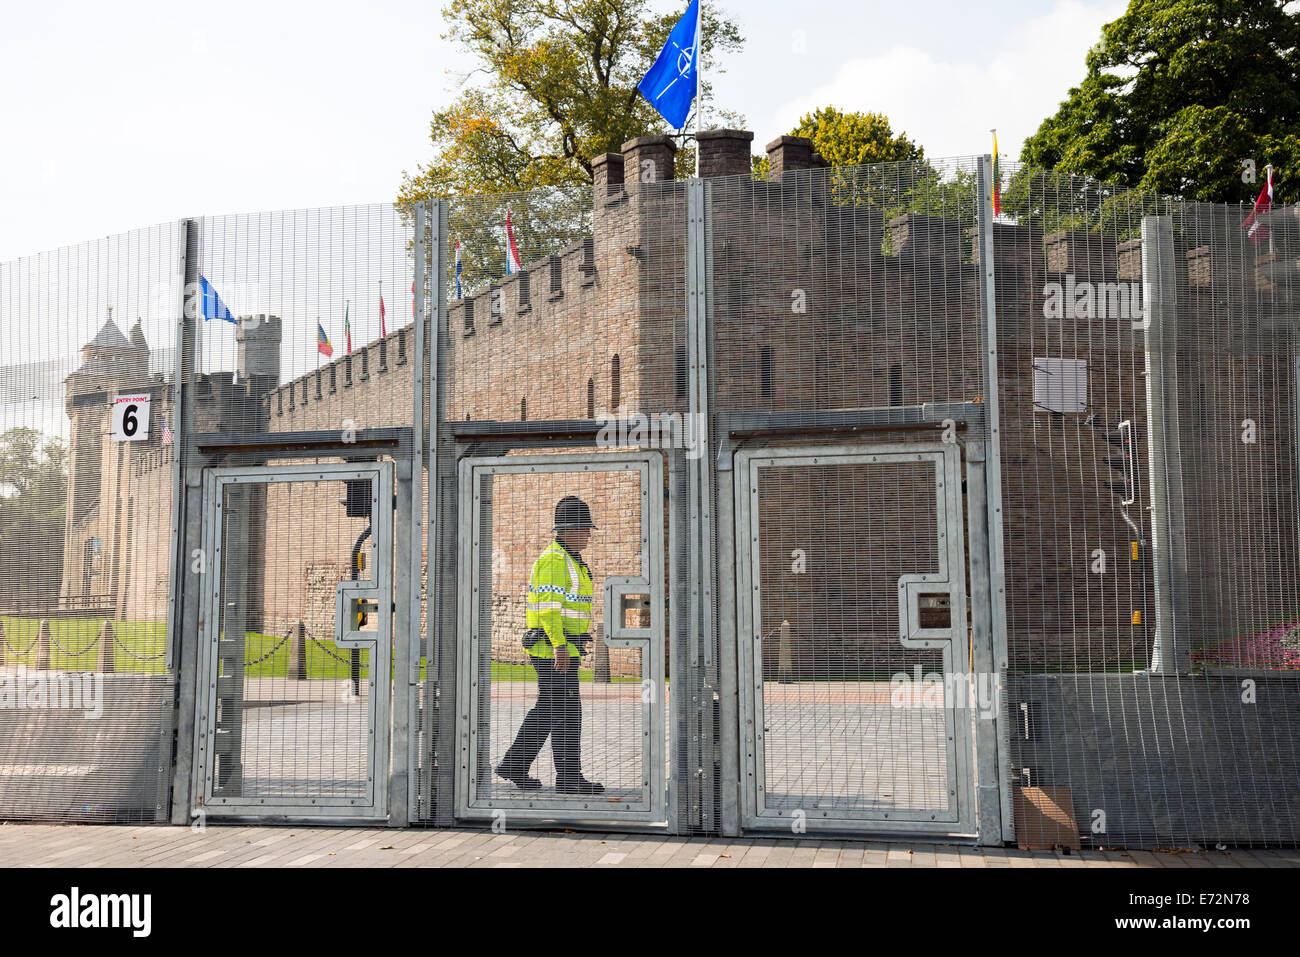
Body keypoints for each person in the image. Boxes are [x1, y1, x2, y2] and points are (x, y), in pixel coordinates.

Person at [496, 496, 605, 795]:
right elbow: (548, 608)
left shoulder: (571, 560)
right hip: (553, 651)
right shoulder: (555, 560)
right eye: (584, 529)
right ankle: (568, 779)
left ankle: (516, 765)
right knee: (565, 712)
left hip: (563, 649)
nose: (588, 535)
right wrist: (559, 646)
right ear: (567, 530)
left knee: (554, 709)